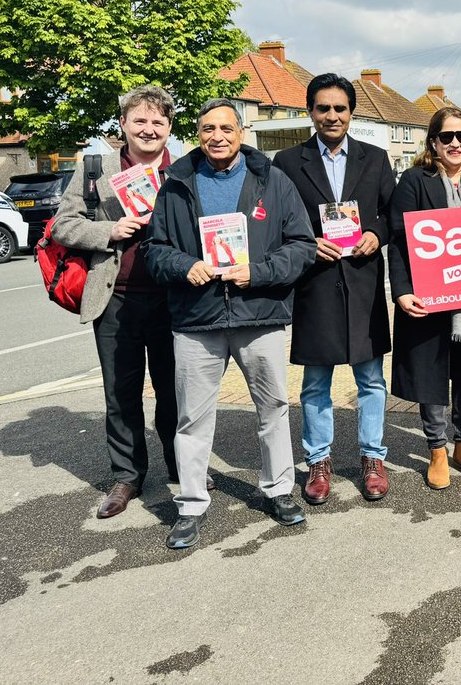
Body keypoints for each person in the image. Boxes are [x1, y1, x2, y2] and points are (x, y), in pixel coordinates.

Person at [145, 99, 316, 549]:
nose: (216, 135)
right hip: (196, 320)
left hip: (258, 314)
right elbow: (154, 249)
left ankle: (279, 491)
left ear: (241, 133)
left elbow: (301, 244)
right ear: (197, 133)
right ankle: (191, 505)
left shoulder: (273, 181)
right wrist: (185, 265)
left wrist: (257, 272)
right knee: (192, 419)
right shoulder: (176, 184)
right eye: (207, 128)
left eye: (225, 127)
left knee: (274, 410)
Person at [52, 86, 181, 519]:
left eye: (158, 122)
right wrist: (109, 231)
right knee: (121, 393)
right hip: (115, 299)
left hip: (172, 300)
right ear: (123, 124)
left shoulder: (183, 171)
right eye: (140, 121)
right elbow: (62, 226)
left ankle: (182, 464)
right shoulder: (94, 169)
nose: (149, 129)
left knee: (174, 390)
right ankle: (127, 476)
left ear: (169, 128)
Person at [273, 73, 396, 503]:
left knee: (371, 379)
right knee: (315, 382)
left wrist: (376, 235)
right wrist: (306, 243)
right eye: (323, 108)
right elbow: (276, 222)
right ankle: (319, 462)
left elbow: (391, 214)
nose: (331, 115)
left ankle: (372, 458)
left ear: (351, 112)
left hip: (362, 282)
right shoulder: (287, 163)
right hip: (316, 284)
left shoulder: (377, 159)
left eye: (339, 108)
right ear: (310, 112)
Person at [388, 107, 461, 489]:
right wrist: (402, 291)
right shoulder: (414, 180)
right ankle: (437, 447)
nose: (455, 143)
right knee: (431, 371)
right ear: (433, 142)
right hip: (428, 296)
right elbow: (400, 243)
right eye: (447, 136)